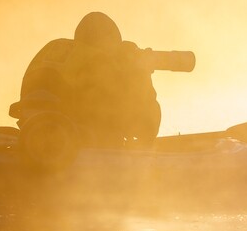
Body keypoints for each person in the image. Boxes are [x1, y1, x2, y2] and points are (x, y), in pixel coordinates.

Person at [9, 12, 161, 148]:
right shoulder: (98, 63)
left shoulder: (57, 51)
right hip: (71, 147)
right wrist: (140, 74)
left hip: (32, 137)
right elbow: (143, 128)